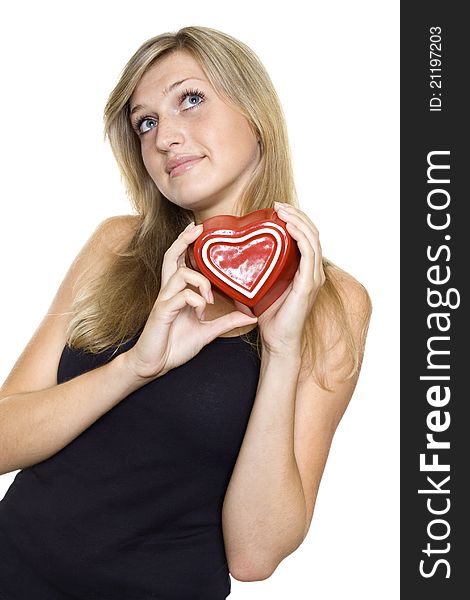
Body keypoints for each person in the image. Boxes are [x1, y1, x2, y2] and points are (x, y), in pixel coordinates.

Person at [0, 25, 372, 600]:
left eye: (190, 100)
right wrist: (133, 368)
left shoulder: (332, 302)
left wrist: (280, 351)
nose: (164, 138)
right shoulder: (115, 246)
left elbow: (254, 556)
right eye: (145, 123)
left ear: (256, 113)